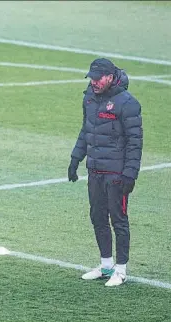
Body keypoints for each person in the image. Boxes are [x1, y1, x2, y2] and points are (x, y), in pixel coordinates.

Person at [68, 58, 143, 287]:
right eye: (91, 77)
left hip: (117, 174)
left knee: (118, 220)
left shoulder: (127, 103)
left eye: (98, 78)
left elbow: (135, 142)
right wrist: (75, 158)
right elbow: (86, 130)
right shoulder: (89, 97)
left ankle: (121, 270)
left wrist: (130, 174)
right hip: (95, 170)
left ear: (110, 77)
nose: (94, 82)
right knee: (98, 217)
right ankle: (106, 265)